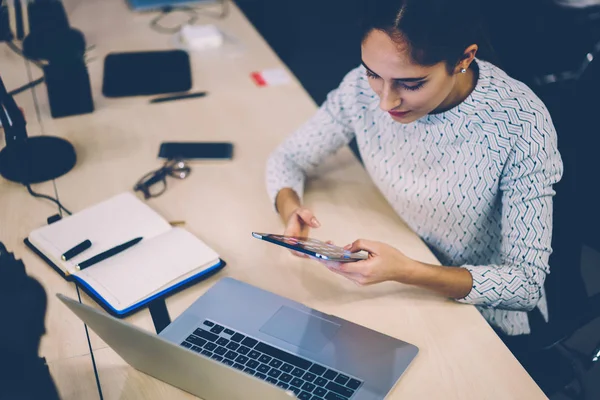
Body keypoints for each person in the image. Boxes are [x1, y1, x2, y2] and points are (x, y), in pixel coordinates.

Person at [265, 0, 563, 343]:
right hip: (402, 268)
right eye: (373, 73)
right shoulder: (359, 90)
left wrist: (406, 270)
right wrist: (291, 211)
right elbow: (286, 158)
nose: (385, 102)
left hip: (481, 317)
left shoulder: (520, 122)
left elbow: (524, 284)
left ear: (464, 58)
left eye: (412, 83)